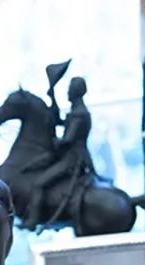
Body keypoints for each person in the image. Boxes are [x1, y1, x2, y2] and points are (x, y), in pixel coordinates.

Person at [25, 76, 94, 229]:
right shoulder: (77, 112)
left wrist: (52, 140)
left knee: (39, 184)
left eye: (69, 89)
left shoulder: (79, 114)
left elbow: (68, 140)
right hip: (71, 155)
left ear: (75, 92)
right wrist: (52, 98)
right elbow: (60, 122)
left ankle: (32, 221)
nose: (67, 93)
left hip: (73, 159)